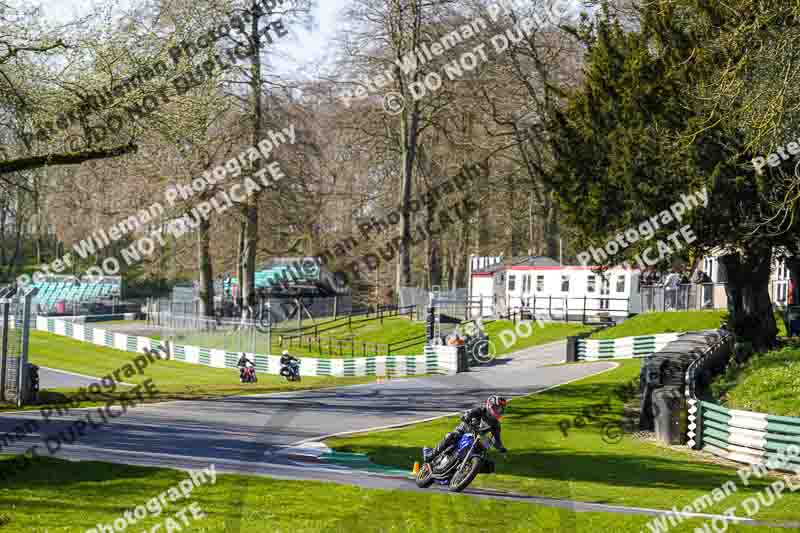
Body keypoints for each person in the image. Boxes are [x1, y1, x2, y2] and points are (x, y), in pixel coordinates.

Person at [424, 396, 508, 462]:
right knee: (450, 436)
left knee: (482, 454)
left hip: (475, 439)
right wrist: (466, 416)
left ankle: (465, 471)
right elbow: (469, 413)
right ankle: (430, 454)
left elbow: (496, 439)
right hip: (463, 431)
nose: (499, 411)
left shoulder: (496, 424)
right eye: (497, 408)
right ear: (490, 405)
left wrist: (501, 449)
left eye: (501, 410)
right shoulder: (480, 410)